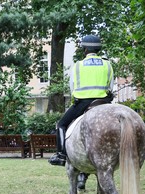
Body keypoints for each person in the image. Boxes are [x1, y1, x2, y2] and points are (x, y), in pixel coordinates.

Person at [49, 34, 114, 167]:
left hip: (84, 103)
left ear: (85, 49)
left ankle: (61, 155)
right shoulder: (107, 65)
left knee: (61, 124)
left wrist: (75, 100)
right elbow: (110, 86)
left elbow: (73, 87)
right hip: (103, 103)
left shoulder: (78, 65)